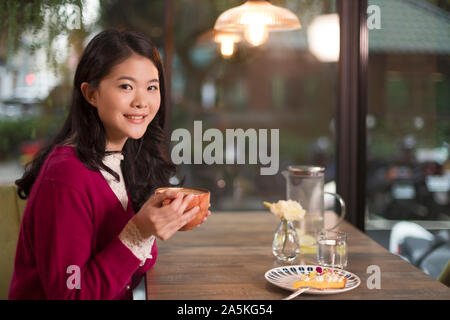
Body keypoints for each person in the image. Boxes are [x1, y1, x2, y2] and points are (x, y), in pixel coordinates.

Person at [9, 29, 210, 300]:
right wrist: (139, 231)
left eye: (151, 87)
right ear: (91, 94)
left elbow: (132, 267)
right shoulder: (67, 176)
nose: (141, 101)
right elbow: (69, 294)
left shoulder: (123, 160)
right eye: (126, 86)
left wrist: (161, 223)